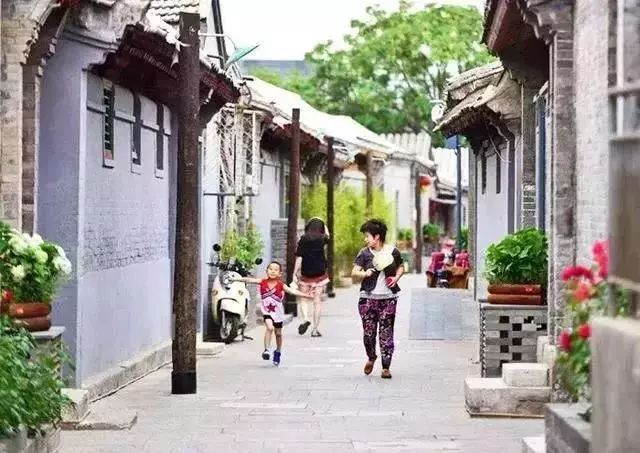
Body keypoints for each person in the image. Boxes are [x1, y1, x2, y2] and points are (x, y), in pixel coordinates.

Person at [351, 219, 404, 379]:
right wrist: (364, 273)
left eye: (367, 236)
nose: (365, 239)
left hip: (388, 299)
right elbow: (354, 272)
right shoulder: (364, 253)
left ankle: (386, 367)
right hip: (367, 299)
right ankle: (371, 356)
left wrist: (396, 277)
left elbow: (401, 267)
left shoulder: (393, 252)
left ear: (377, 236)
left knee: (386, 332)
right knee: (369, 333)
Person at [234, 262, 312, 366]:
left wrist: (306, 295)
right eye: (270, 269)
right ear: (267, 271)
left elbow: (292, 291)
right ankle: (266, 350)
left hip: (278, 314)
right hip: (267, 312)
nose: (273, 271)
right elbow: (249, 280)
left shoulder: (281, 285)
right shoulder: (262, 282)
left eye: (276, 270)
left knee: (278, 334)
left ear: (280, 273)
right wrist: (235, 279)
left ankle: (278, 351)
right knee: (269, 328)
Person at [293, 217, 330, 337]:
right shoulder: (322, 238)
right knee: (317, 301)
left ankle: (305, 319)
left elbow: (299, 258)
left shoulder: (303, 239)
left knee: (303, 298)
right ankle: (315, 329)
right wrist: (323, 224)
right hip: (320, 274)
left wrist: (294, 273)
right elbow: (327, 234)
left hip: (306, 273)